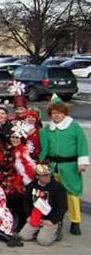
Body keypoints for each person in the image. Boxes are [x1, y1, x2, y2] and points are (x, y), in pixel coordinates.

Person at [39, 100, 88, 235]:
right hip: (53, 165)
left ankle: (75, 221)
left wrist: (82, 161)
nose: (56, 115)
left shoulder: (74, 127)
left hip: (70, 166)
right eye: (53, 113)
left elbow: (82, 144)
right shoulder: (48, 129)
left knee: (72, 194)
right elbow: (44, 147)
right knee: (53, 194)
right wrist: (40, 162)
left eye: (59, 112)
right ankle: (56, 219)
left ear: (64, 113)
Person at [18, 164, 68, 246]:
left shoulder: (58, 188)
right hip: (36, 217)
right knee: (24, 236)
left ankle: (56, 232)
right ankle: (40, 231)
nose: (47, 177)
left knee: (43, 241)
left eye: (48, 174)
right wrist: (28, 216)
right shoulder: (31, 186)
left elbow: (63, 207)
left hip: (50, 219)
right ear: (37, 176)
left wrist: (53, 220)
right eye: (44, 175)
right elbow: (26, 201)